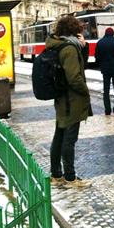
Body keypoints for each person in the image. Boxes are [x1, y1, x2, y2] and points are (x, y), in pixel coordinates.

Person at [46, 15, 93, 187]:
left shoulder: (61, 45)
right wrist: (86, 91)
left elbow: (80, 66)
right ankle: (70, 178)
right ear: (74, 31)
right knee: (69, 139)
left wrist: (84, 48)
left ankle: (56, 175)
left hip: (62, 100)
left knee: (59, 136)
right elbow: (74, 77)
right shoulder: (69, 49)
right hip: (71, 101)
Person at [95, 27, 114, 116]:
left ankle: (107, 111)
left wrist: (102, 63)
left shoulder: (100, 42)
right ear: (112, 33)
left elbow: (97, 56)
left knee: (106, 90)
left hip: (105, 69)